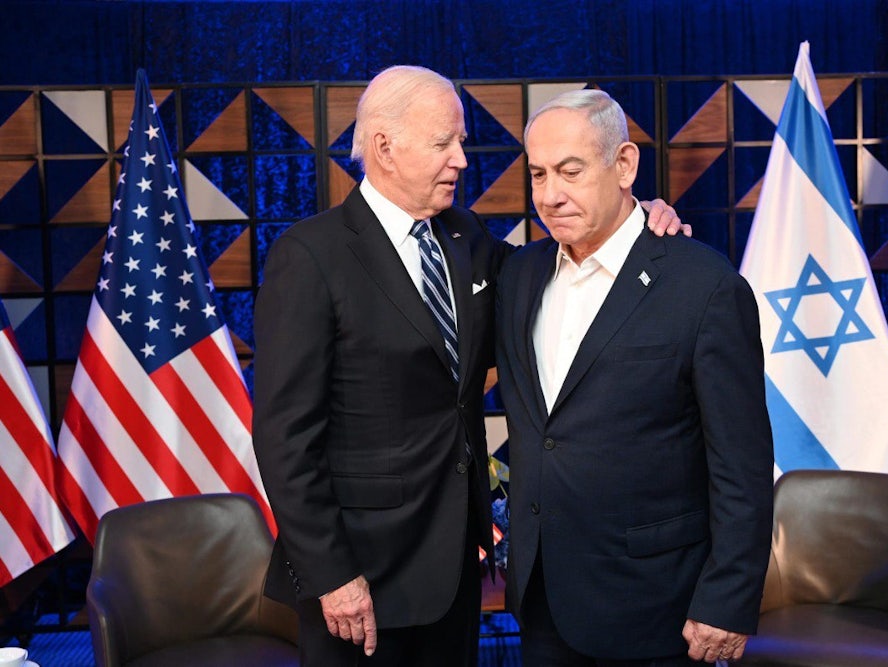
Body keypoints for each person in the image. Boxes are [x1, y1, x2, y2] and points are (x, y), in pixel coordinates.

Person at [252, 66, 686, 666]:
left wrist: (635, 220)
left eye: (459, 141)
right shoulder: (309, 256)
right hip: (360, 578)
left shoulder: (464, 235)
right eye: (444, 143)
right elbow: (284, 439)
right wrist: (331, 575)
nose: (462, 158)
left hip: (455, 567)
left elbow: (556, 271)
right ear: (384, 147)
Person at [495, 89, 774, 666]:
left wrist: (728, 599)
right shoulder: (517, 275)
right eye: (539, 174)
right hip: (543, 599)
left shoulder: (705, 287)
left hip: (657, 608)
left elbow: (741, 464)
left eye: (571, 171)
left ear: (624, 165)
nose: (550, 195)